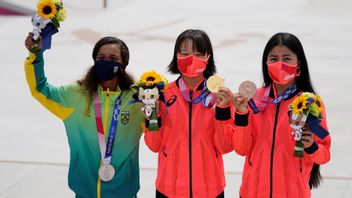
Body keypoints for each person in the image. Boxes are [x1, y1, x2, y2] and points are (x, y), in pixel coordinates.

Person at [24, 33, 144, 198]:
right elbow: (40, 89)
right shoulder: (76, 95)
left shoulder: (137, 99)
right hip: (84, 193)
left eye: (113, 58)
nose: (106, 61)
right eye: (101, 57)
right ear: (94, 61)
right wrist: (35, 55)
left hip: (124, 193)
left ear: (124, 63)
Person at [215, 32, 331, 198]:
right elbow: (241, 149)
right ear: (266, 63)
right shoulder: (253, 100)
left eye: (287, 58)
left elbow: (324, 154)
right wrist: (241, 115)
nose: (280, 64)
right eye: (274, 59)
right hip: (252, 193)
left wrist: (311, 145)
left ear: (299, 63)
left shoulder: (309, 104)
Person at [143, 29, 233, 198]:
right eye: (185, 53)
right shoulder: (162, 94)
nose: (191, 59)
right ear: (176, 56)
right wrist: (153, 115)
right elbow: (154, 145)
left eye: (198, 54)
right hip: (169, 190)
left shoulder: (218, 95)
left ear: (208, 57)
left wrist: (222, 110)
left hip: (210, 190)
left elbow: (225, 146)